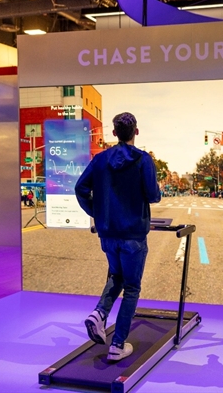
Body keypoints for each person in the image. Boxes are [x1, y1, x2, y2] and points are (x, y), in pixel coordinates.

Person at [75, 112, 161, 362]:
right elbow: (153, 195)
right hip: (133, 232)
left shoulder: (100, 159)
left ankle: (99, 313)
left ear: (114, 133)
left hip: (108, 232)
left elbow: (80, 188)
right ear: (136, 131)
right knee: (131, 287)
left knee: (116, 275)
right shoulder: (143, 159)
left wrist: (98, 212)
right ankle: (117, 344)